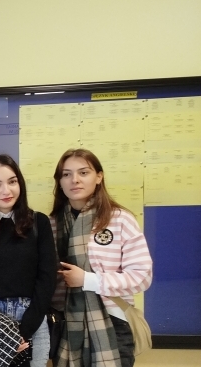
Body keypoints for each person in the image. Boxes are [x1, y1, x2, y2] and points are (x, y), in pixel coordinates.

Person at [50, 149, 152, 367]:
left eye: (83, 172)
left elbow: (142, 276)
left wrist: (88, 280)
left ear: (99, 176)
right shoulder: (51, 224)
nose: (74, 180)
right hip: (67, 325)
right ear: (59, 181)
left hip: (113, 323)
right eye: (66, 174)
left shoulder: (119, 219)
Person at [0, 154, 56, 367]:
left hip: (31, 317)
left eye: (12, 182)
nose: (6, 191)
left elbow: (47, 278)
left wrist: (24, 331)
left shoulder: (38, 223)